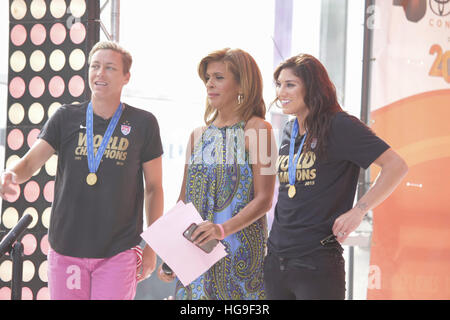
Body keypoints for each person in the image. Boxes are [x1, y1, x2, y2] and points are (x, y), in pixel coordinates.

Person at [0, 41, 164, 300]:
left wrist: (152, 247)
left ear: (126, 77)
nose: (100, 73)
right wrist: (10, 174)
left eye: (110, 68)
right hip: (66, 249)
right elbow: (30, 163)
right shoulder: (66, 117)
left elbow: (154, 189)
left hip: (118, 250)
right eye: (95, 66)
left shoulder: (144, 123)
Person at [264, 54, 408, 300]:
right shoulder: (289, 129)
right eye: (278, 84)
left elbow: (396, 166)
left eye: (290, 84)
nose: (281, 92)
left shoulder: (340, 125)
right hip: (277, 259)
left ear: (312, 86)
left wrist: (360, 210)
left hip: (316, 262)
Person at [157, 48, 276, 300]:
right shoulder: (197, 135)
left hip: (240, 257)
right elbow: (183, 202)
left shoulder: (259, 130)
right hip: (195, 256)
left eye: (219, 77)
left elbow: (264, 199)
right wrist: (171, 255)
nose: (210, 83)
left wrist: (221, 230)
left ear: (242, 84)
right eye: (208, 78)